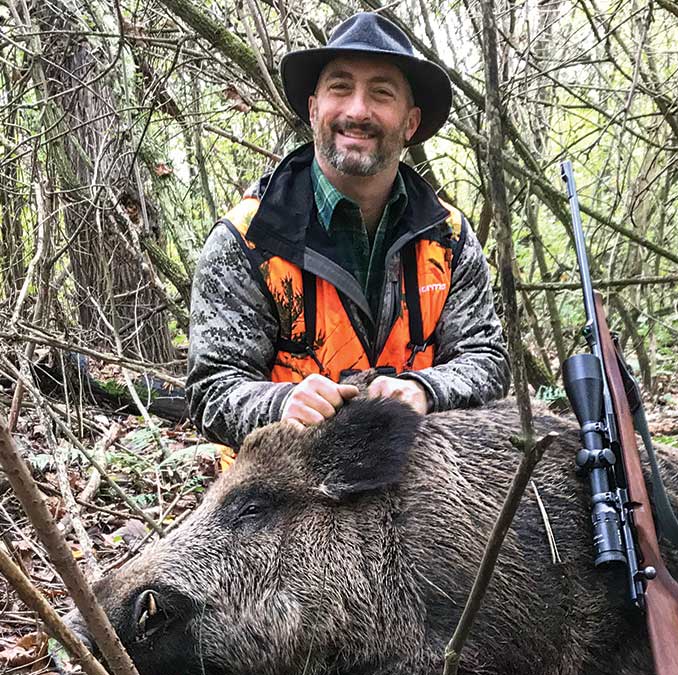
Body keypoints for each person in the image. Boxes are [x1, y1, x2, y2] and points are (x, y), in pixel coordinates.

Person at [186, 12, 510, 449]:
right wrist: (281, 405)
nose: (358, 110)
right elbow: (212, 390)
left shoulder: (448, 238)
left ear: (410, 123)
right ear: (314, 108)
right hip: (285, 484)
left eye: (381, 93)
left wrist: (424, 390)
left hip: (419, 476)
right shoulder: (248, 239)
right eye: (340, 87)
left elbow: (487, 362)